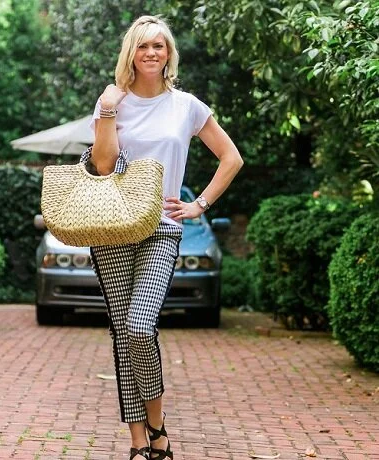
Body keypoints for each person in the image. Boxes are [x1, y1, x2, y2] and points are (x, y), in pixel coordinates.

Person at [88, 15, 243, 460]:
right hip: (113, 228)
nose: (151, 52)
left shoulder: (186, 106)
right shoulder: (111, 102)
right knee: (123, 334)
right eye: (143, 46)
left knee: (140, 326)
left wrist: (200, 204)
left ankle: (158, 427)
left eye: (159, 45)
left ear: (169, 53)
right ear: (131, 53)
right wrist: (107, 109)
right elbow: (103, 165)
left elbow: (231, 157)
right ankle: (139, 443)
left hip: (162, 229)